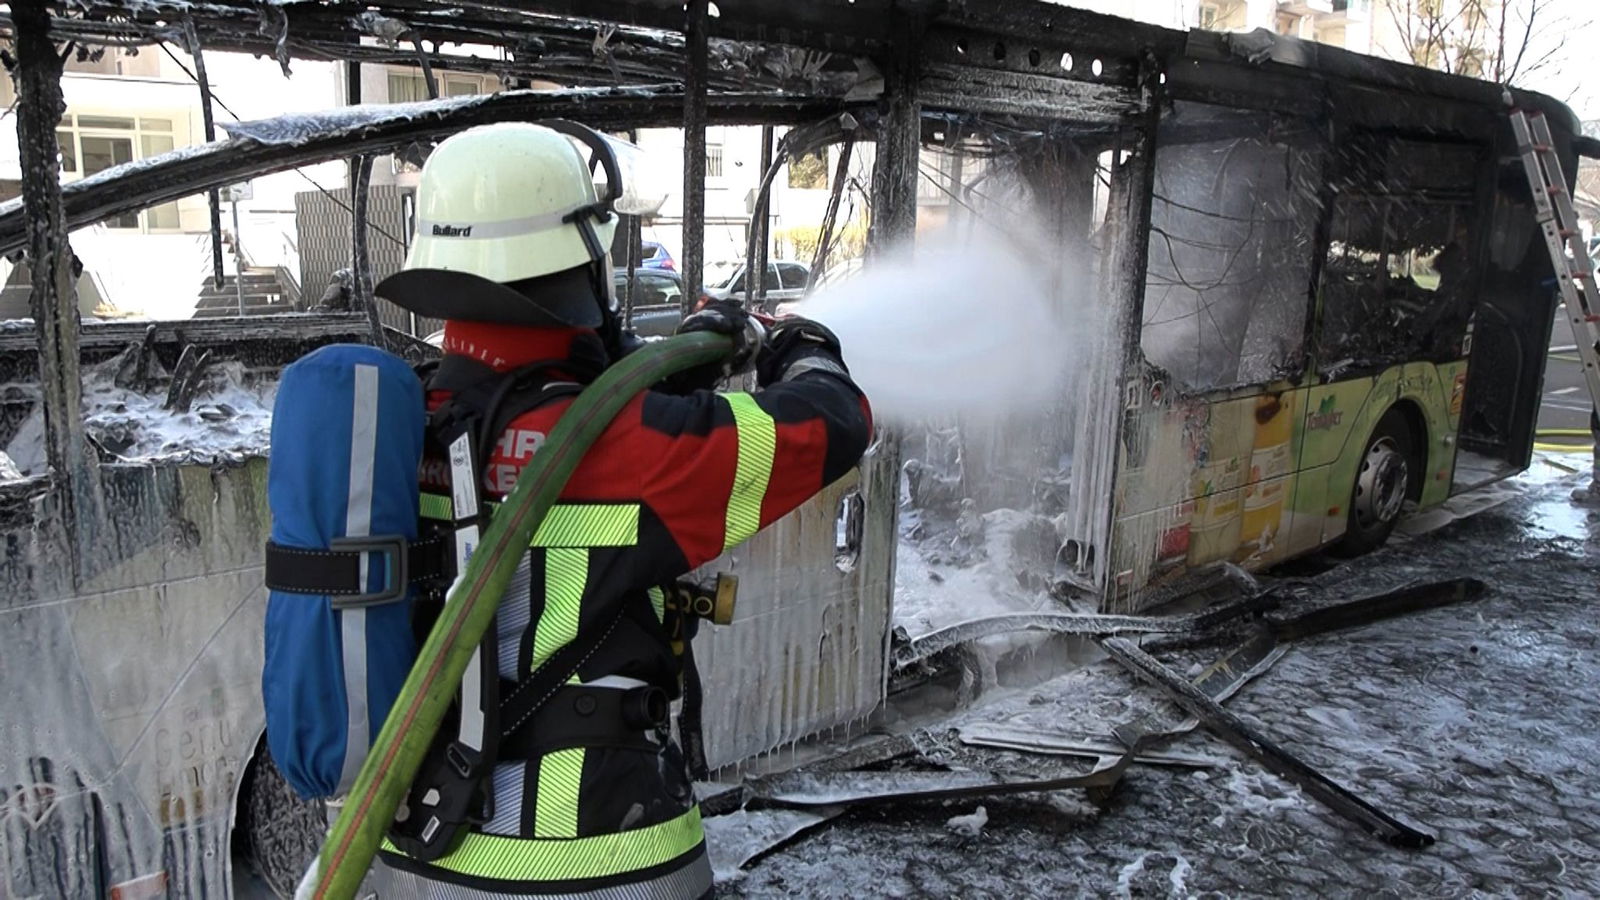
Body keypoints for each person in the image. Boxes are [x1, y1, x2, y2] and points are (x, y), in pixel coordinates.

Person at [369, 121, 871, 898]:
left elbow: (564, 398)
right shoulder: (629, 448)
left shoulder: (407, 423)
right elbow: (833, 424)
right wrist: (803, 347)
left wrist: (681, 356)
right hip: (593, 865)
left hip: (411, 857)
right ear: (578, 266)